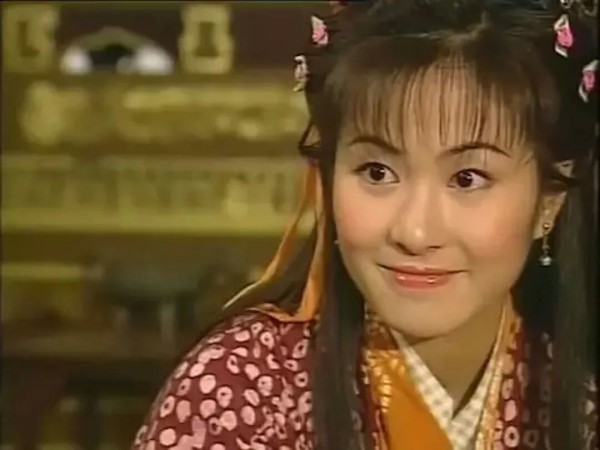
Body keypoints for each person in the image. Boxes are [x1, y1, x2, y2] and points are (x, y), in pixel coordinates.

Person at [132, 0, 598, 448]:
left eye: (467, 179)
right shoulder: (235, 390)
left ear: (549, 201)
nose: (414, 233)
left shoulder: (576, 398)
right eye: (377, 172)